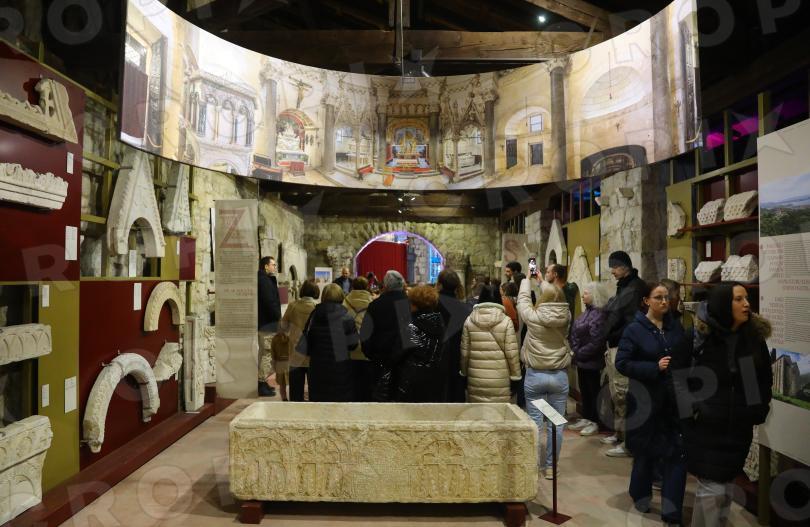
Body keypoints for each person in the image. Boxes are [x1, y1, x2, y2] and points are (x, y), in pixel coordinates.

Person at [672, 283, 772, 527]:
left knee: (723, 489)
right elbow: (677, 378)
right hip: (705, 429)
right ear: (723, 304)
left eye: (746, 298)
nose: (747, 304)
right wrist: (692, 412)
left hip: (737, 431)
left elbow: (759, 381)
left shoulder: (751, 339)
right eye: (739, 299)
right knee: (713, 489)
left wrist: (756, 410)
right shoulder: (698, 337)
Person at [616, 282, 688, 526]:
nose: (664, 301)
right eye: (658, 297)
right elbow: (622, 363)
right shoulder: (634, 330)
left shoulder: (675, 327)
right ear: (646, 301)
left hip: (673, 402)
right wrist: (653, 367)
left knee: (676, 454)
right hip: (645, 401)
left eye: (666, 297)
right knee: (645, 453)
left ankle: (672, 513)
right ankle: (640, 494)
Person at [517, 276, 572, 480]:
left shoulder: (533, 316)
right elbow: (554, 296)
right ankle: (551, 467)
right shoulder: (566, 316)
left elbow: (523, 300)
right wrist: (543, 282)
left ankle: (533, 466)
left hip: (536, 376)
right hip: (558, 376)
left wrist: (528, 279)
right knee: (556, 423)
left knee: (535, 423)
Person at [600, 250, 646, 457]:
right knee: (615, 392)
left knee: (623, 393)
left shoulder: (635, 288)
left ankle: (628, 441)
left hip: (624, 346)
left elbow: (629, 319)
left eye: (615, 267)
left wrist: (614, 334)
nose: (612, 271)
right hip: (615, 344)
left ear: (625, 267)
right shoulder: (625, 286)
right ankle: (619, 433)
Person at [460, 284, 521, 402]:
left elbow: (464, 353)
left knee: (478, 412)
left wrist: (464, 373)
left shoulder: (469, 321)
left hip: (476, 378)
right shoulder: (506, 321)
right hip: (500, 379)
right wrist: (515, 377)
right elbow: (512, 354)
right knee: (498, 412)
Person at [300, 283, 359, 402]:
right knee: (340, 402)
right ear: (341, 296)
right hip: (341, 368)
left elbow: (307, 340)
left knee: (319, 402)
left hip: (318, 367)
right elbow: (353, 345)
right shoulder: (347, 317)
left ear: (324, 296)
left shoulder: (314, 315)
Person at [360, 270, 412, 401]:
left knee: (379, 400)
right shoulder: (410, 305)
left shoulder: (375, 305)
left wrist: (370, 354)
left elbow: (365, 334)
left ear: (386, 286)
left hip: (379, 361)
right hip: (404, 362)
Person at [391, 285, 447, 402]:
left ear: (415, 304)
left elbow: (397, 355)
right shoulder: (440, 324)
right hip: (436, 378)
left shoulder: (412, 326)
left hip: (412, 379)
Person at [568, 281, 610, 437]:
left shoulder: (599, 314)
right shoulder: (588, 311)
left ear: (595, 295)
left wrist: (578, 352)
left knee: (593, 392)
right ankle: (586, 417)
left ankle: (595, 422)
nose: (583, 296)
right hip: (582, 359)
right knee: (585, 390)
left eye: (586, 293)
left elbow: (596, 341)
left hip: (592, 360)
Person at [436, 269, 473, 402]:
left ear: (439, 284)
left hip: (435, 359)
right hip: (456, 359)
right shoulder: (465, 309)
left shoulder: (432, 305)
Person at [280, 281, 320, 401]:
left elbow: (283, 326)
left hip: (295, 351)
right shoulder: (318, 307)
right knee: (314, 388)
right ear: (316, 292)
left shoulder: (293, 306)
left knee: (295, 389)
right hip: (313, 351)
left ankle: (295, 406)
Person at [343, 276, 375, 401]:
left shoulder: (345, 302)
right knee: (366, 386)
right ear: (367, 287)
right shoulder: (374, 303)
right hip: (368, 349)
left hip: (349, 348)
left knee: (351, 385)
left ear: (353, 286)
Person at [257, 256, 281, 397]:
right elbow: (269, 303)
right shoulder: (264, 281)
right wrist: (278, 317)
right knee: (267, 354)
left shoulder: (264, 279)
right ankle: (261, 383)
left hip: (265, 323)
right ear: (266, 266)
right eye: (273, 264)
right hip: (268, 323)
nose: (275, 267)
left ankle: (262, 381)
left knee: (264, 353)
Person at [546, 263, 578, 328]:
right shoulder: (570, 287)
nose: (546, 275)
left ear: (555, 274)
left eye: (548, 272)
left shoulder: (560, 293)